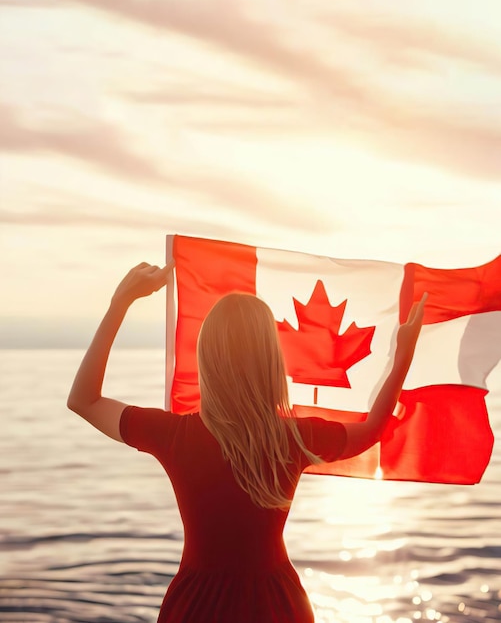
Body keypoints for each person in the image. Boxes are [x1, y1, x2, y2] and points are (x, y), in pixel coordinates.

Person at [67, 261, 426, 623]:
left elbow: (84, 400)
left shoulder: (175, 435)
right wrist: (402, 359)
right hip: (278, 606)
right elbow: (373, 429)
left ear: (207, 360)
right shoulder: (293, 439)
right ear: (270, 359)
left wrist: (120, 303)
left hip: (196, 607)